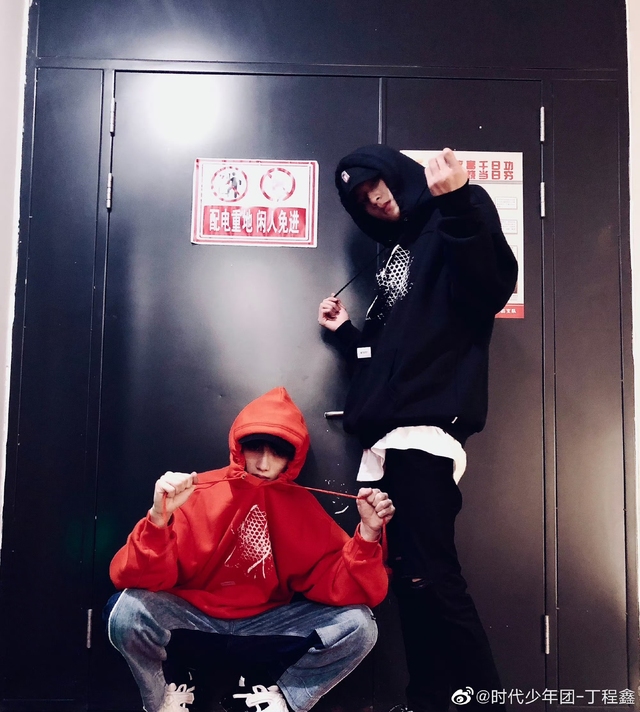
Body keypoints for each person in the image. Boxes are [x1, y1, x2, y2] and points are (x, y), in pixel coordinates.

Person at [318, 146, 518, 712]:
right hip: (389, 441)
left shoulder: (458, 211)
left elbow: (488, 289)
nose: (375, 199)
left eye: (376, 184)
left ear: (396, 173)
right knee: (411, 579)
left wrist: (455, 202)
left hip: (424, 433)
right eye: (361, 199)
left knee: (434, 575)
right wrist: (347, 334)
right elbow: (389, 359)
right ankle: (429, 698)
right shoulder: (393, 256)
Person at [106, 386, 394, 712]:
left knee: (360, 625)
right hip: (194, 620)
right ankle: (163, 698)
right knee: (125, 610)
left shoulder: (303, 506)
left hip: (265, 627)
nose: (264, 463)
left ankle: (282, 698)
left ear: (293, 456)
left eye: (278, 451)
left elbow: (345, 588)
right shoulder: (196, 490)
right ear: (239, 446)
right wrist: (159, 519)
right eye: (255, 447)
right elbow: (133, 578)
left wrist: (368, 534)